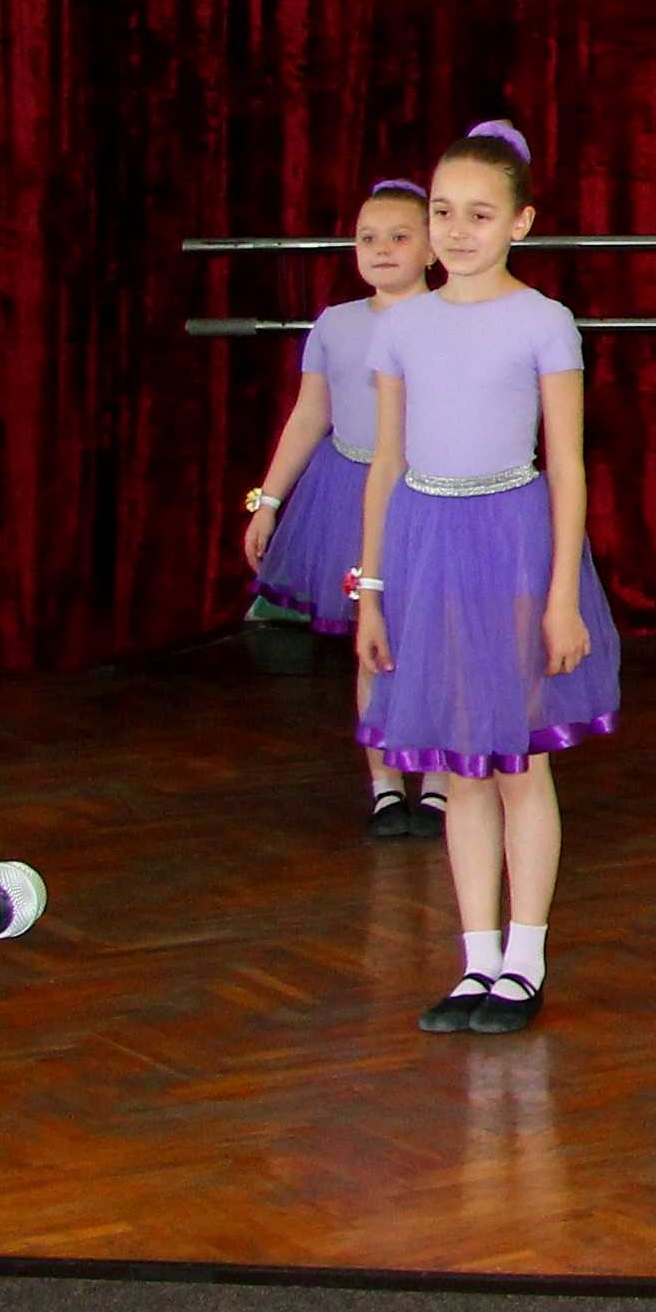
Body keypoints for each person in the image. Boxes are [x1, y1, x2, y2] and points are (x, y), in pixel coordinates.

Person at [353, 122, 619, 1036]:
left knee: (518, 760)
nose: (457, 231)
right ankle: (475, 960)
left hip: (513, 539)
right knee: (459, 765)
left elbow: (569, 467)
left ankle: (525, 958)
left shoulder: (543, 320)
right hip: (426, 544)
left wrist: (561, 594)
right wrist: (371, 591)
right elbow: (386, 464)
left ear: (520, 222)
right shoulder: (403, 324)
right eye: (442, 212)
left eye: (479, 214)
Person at [242, 178, 439, 838]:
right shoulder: (337, 324)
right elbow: (310, 414)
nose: (381, 249)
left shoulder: (452, 320)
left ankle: (441, 780)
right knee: (372, 642)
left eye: (400, 237)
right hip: (350, 495)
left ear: (433, 248)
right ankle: (385, 784)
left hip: (432, 496)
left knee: (439, 638)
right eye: (367, 238)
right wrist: (269, 499)